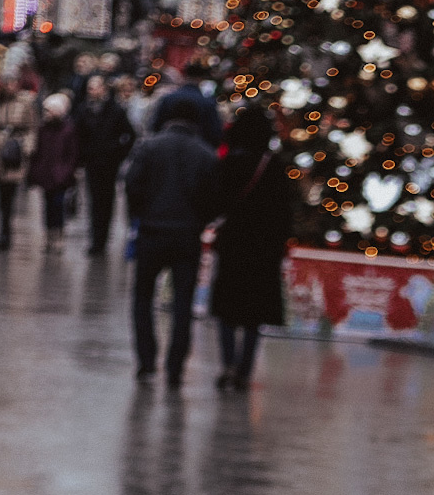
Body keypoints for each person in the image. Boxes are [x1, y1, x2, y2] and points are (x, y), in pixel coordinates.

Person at [124, 96, 217, 387]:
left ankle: (146, 360)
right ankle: (175, 366)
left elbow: (132, 186)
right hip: (186, 235)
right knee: (182, 303)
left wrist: (139, 215)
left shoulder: (150, 147)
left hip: (152, 231)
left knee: (142, 299)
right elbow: (212, 198)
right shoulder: (205, 154)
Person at [205, 105, 290, 392]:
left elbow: (215, 202)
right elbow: (286, 213)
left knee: (227, 309)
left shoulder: (228, 164)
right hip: (264, 249)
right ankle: (245, 369)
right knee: (254, 314)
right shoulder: (276, 166)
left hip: (233, 244)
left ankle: (227, 363)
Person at [73, 73, 135, 255]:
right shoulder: (84, 109)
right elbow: (78, 135)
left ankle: (102, 239)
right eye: (90, 88)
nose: (92, 91)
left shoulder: (115, 110)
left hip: (109, 163)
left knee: (106, 201)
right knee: (93, 201)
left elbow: (130, 134)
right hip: (92, 161)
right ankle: (95, 239)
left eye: (95, 87)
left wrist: (118, 152)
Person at [0, 74, 38, 251]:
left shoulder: (25, 102)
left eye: (13, 83)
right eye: (7, 83)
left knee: (9, 193)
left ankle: (6, 230)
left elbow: (31, 127)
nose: (10, 86)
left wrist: (27, 148)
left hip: (15, 150)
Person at [28, 93, 78, 254]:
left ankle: (58, 237)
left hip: (60, 176)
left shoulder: (68, 130)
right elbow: (38, 151)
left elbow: (72, 154)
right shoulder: (43, 129)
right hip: (46, 174)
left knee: (58, 207)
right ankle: (49, 237)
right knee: (47, 208)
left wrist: (65, 172)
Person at [151, 57, 222, 146]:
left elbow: (155, 126)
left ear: (185, 76)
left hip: (166, 147)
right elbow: (214, 133)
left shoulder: (168, 98)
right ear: (200, 78)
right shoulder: (207, 102)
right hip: (197, 150)